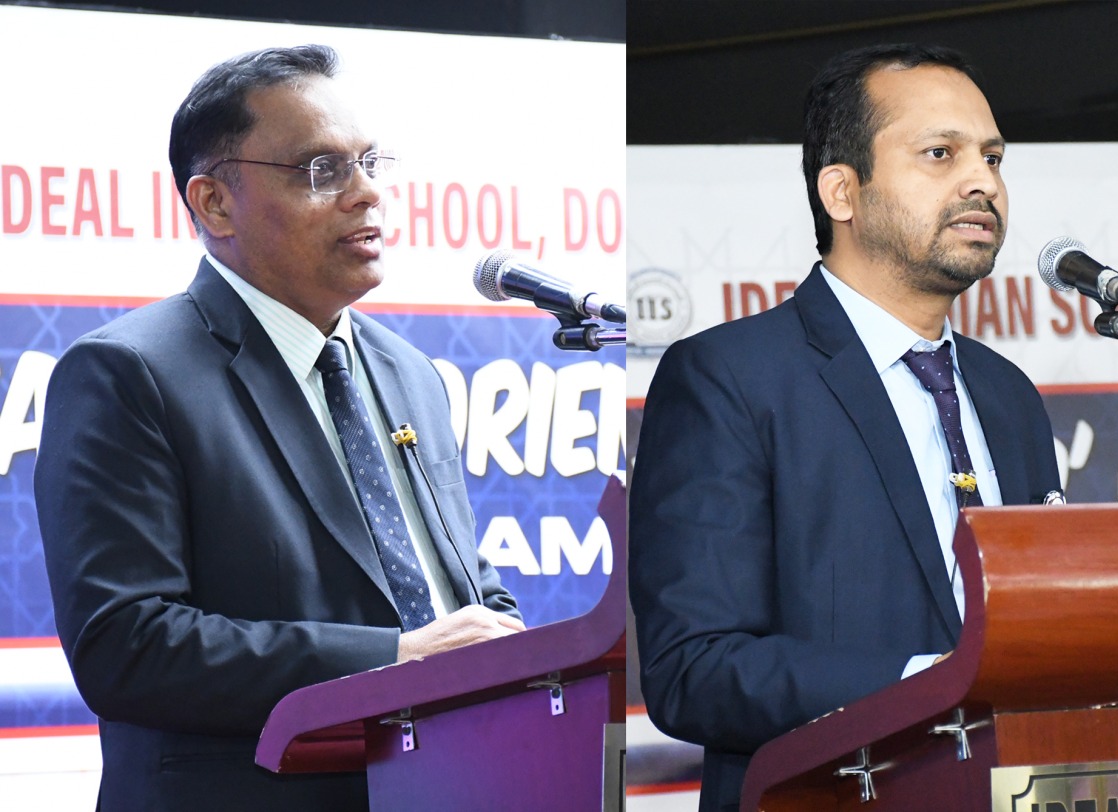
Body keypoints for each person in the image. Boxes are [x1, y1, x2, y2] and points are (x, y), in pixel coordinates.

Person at [35, 45, 524, 811]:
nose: (367, 195)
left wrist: (509, 646)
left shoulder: (410, 375)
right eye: (321, 171)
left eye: (370, 163)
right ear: (213, 203)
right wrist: (391, 661)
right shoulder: (129, 374)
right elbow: (125, 645)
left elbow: (458, 592)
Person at [628, 43, 1061, 811]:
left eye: (993, 158)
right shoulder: (729, 378)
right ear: (842, 191)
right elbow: (694, 670)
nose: (982, 183)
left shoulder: (1008, 395)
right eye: (941, 154)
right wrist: (929, 685)